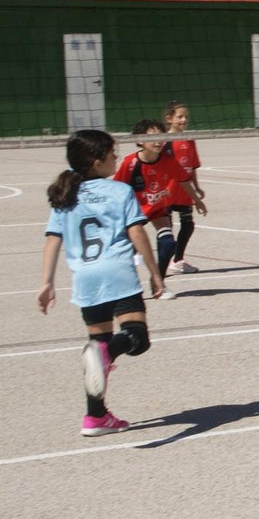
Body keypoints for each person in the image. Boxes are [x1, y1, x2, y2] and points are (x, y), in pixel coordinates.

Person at [36, 130, 166, 437]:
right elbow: (136, 233)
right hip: (118, 273)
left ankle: (95, 417)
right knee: (136, 337)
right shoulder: (119, 192)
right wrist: (155, 272)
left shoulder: (64, 196)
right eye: (112, 154)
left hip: (86, 279)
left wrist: (46, 282)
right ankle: (109, 352)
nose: (117, 158)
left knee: (96, 347)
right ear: (96, 163)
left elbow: (53, 240)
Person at [114, 119, 207, 292]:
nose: (158, 141)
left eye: (160, 136)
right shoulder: (130, 163)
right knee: (127, 252)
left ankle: (158, 283)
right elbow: (116, 189)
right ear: (140, 140)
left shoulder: (168, 160)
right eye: (152, 137)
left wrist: (197, 200)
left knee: (168, 243)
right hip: (135, 211)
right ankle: (124, 286)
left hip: (157, 209)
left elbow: (183, 180)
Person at [163, 101, 206, 273]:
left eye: (186, 117)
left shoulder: (189, 140)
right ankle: (165, 260)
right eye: (179, 116)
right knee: (167, 227)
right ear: (169, 118)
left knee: (188, 225)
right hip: (168, 189)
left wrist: (197, 187)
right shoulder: (164, 141)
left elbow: (192, 166)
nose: (183, 120)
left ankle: (178, 259)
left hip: (185, 190)